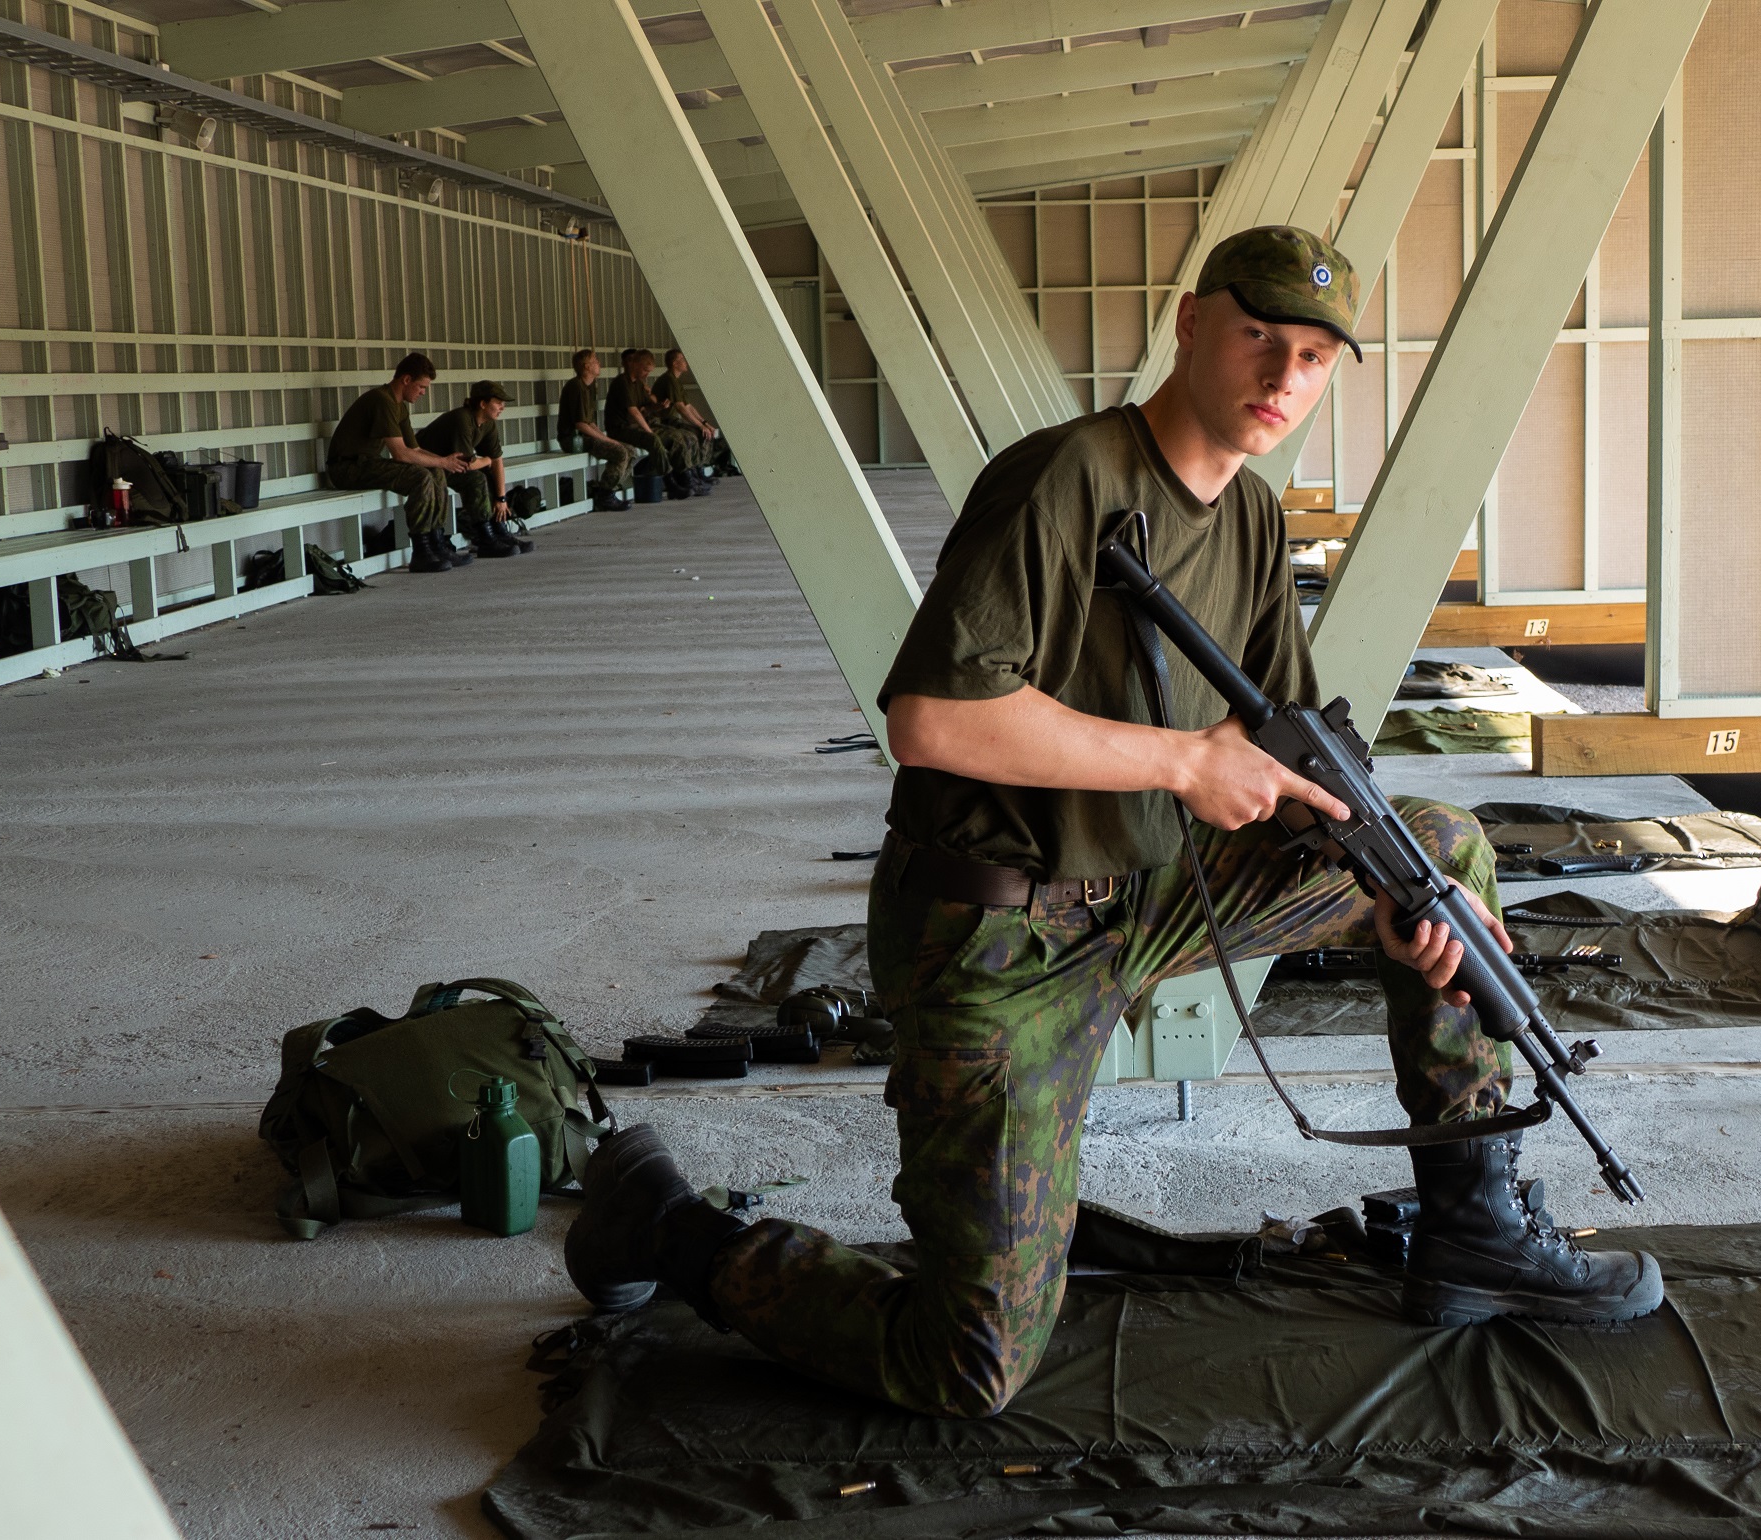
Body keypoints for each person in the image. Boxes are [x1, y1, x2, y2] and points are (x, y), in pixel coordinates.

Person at [565, 227, 1663, 1419]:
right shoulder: (1065, 478)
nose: (1283, 378)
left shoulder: (1248, 517)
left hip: (1147, 897)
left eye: (1311, 357)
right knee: (966, 1365)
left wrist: (1401, 913)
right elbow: (931, 716)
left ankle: (1476, 1224)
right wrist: (1183, 762)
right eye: (1260, 338)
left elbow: (1289, 754)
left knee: (1435, 855)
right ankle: (666, 1226)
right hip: (997, 938)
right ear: (1191, 324)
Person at [326, 353, 472, 572]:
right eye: (421, 387)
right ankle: (421, 551)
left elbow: (414, 449)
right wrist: (443, 460)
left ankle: (437, 541)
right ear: (406, 380)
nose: (423, 392)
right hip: (346, 468)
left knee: (435, 471)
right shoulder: (381, 400)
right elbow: (401, 454)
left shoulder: (399, 406)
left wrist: (443, 462)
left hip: (367, 465)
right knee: (420, 477)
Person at [416, 380, 533, 557]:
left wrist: (501, 500)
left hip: (448, 465)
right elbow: (467, 464)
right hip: (427, 466)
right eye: (498, 403)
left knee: (488, 472)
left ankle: (499, 531)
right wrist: (487, 460)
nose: (502, 407)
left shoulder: (488, 423)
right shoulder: (462, 418)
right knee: (476, 479)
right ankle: (484, 539)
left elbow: (497, 461)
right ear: (483, 403)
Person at [610, 348, 705, 499]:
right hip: (622, 428)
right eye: (645, 370)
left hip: (639, 424)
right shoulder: (622, 383)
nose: (647, 374)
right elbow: (633, 412)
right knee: (653, 439)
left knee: (678, 435)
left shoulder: (639, 384)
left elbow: (647, 407)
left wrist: (659, 406)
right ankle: (670, 483)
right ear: (636, 365)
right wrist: (649, 430)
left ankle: (688, 477)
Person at [559, 348, 637, 510]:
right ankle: (605, 494)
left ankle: (608, 489)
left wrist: (607, 438)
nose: (599, 364)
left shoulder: (588, 387)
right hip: (573, 440)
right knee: (620, 452)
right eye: (595, 361)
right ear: (586, 366)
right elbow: (580, 424)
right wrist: (607, 440)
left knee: (630, 450)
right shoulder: (576, 386)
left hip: (585, 437)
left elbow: (591, 423)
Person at [653, 347, 723, 493]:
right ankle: (689, 476)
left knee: (703, 432)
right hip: (665, 421)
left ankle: (699, 471)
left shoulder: (676, 381)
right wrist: (699, 426)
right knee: (692, 435)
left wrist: (705, 424)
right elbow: (680, 408)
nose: (686, 362)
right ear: (674, 363)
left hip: (673, 420)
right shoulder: (669, 379)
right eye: (682, 360)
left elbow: (688, 406)